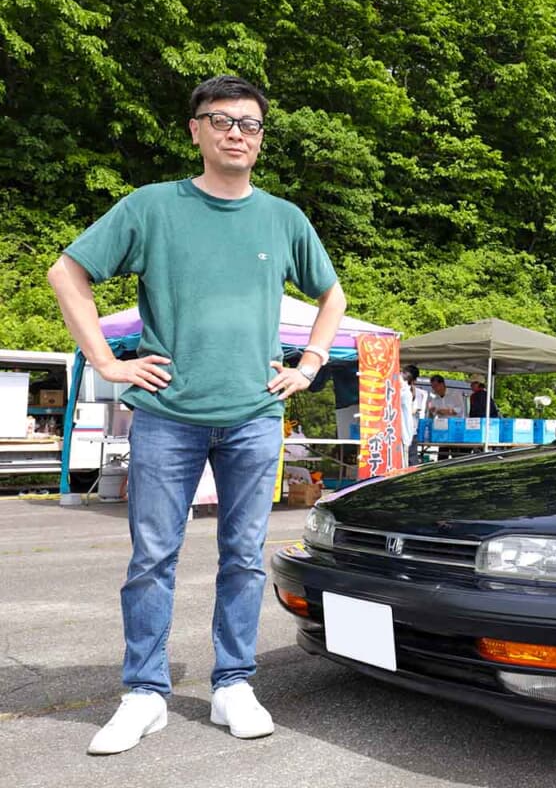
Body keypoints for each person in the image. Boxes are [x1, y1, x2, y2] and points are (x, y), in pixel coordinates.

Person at [47, 75, 347, 755]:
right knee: (152, 557)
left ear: (261, 138)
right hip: (166, 414)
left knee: (243, 556)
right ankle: (144, 693)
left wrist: (308, 364)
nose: (237, 133)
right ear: (196, 130)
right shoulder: (153, 207)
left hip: (255, 416)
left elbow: (332, 294)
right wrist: (106, 361)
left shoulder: (283, 218)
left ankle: (233, 684)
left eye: (250, 124)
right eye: (221, 120)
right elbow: (67, 272)